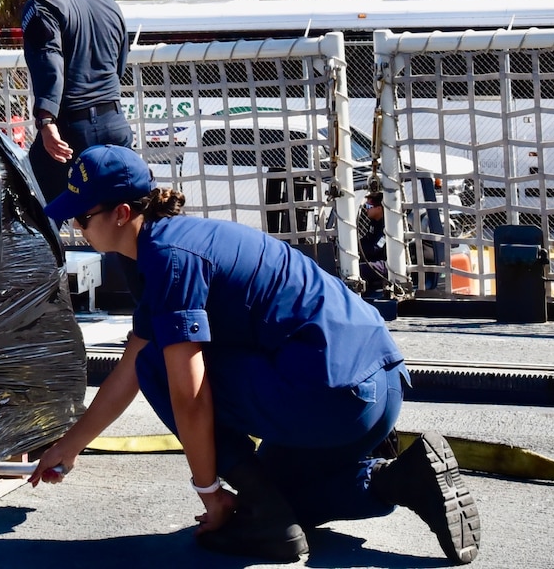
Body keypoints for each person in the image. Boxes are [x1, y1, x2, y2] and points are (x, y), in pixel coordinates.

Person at [30, 144, 480, 565]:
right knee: (272, 500)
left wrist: (209, 492)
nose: (76, 228)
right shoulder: (179, 240)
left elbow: (187, 395)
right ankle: (402, 479)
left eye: (82, 218)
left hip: (332, 397)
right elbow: (127, 368)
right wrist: (68, 449)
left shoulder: (168, 259)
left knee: (164, 370)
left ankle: (268, 520)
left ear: (122, 213)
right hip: (380, 390)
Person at [21, 0, 131, 201]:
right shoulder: (110, 4)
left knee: (35, 213)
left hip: (71, 131)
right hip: (115, 126)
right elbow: (119, 66)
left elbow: (49, 61)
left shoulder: (43, 4)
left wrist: (46, 121)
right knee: (114, 218)